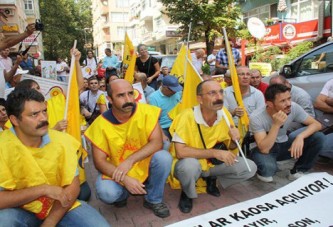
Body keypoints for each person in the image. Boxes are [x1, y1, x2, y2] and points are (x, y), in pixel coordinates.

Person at [0, 88, 109, 226]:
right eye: (34, 114)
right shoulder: (2, 146)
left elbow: (73, 187)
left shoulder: (62, 141)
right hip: (20, 210)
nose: (43, 118)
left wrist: (50, 222)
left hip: (60, 206)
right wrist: (43, 189)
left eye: (44, 111)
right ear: (14, 120)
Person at [84, 79, 172, 218]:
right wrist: (125, 180)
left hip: (142, 161)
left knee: (164, 157)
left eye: (130, 93)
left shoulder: (147, 112)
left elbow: (157, 143)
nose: (128, 99)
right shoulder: (100, 124)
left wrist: (130, 161)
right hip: (117, 170)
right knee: (107, 193)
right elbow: (99, 162)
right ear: (109, 99)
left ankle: (153, 199)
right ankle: (123, 194)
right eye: (120, 95)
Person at [170, 80, 257, 213]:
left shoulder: (225, 115)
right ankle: (187, 192)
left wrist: (236, 139)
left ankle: (212, 178)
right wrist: (215, 153)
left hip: (213, 164)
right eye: (212, 93)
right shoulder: (186, 116)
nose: (219, 97)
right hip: (192, 163)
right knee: (188, 167)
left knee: (250, 167)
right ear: (200, 98)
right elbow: (180, 152)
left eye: (221, 92)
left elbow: (230, 146)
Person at [250, 84, 324, 183]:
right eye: (283, 101)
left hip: (284, 143)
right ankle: (263, 163)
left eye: (289, 98)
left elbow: (317, 125)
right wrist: (276, 125)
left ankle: (298, 170)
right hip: (265, 149)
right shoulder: (256, 117)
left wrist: (300, 137)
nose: (288, 103)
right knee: (267, 173)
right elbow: (264, 148)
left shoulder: (293, 107)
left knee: (318, 137)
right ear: (270, 104)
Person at [148, 75, 182, 141]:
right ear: (164, 87)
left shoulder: (178, 93)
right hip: (164, 127)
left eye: (176, 90)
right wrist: (162, 135)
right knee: (166, 145)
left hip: (178, 125)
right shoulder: (153, 98)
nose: (174, 92)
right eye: (172, 90)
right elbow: (154, 120)